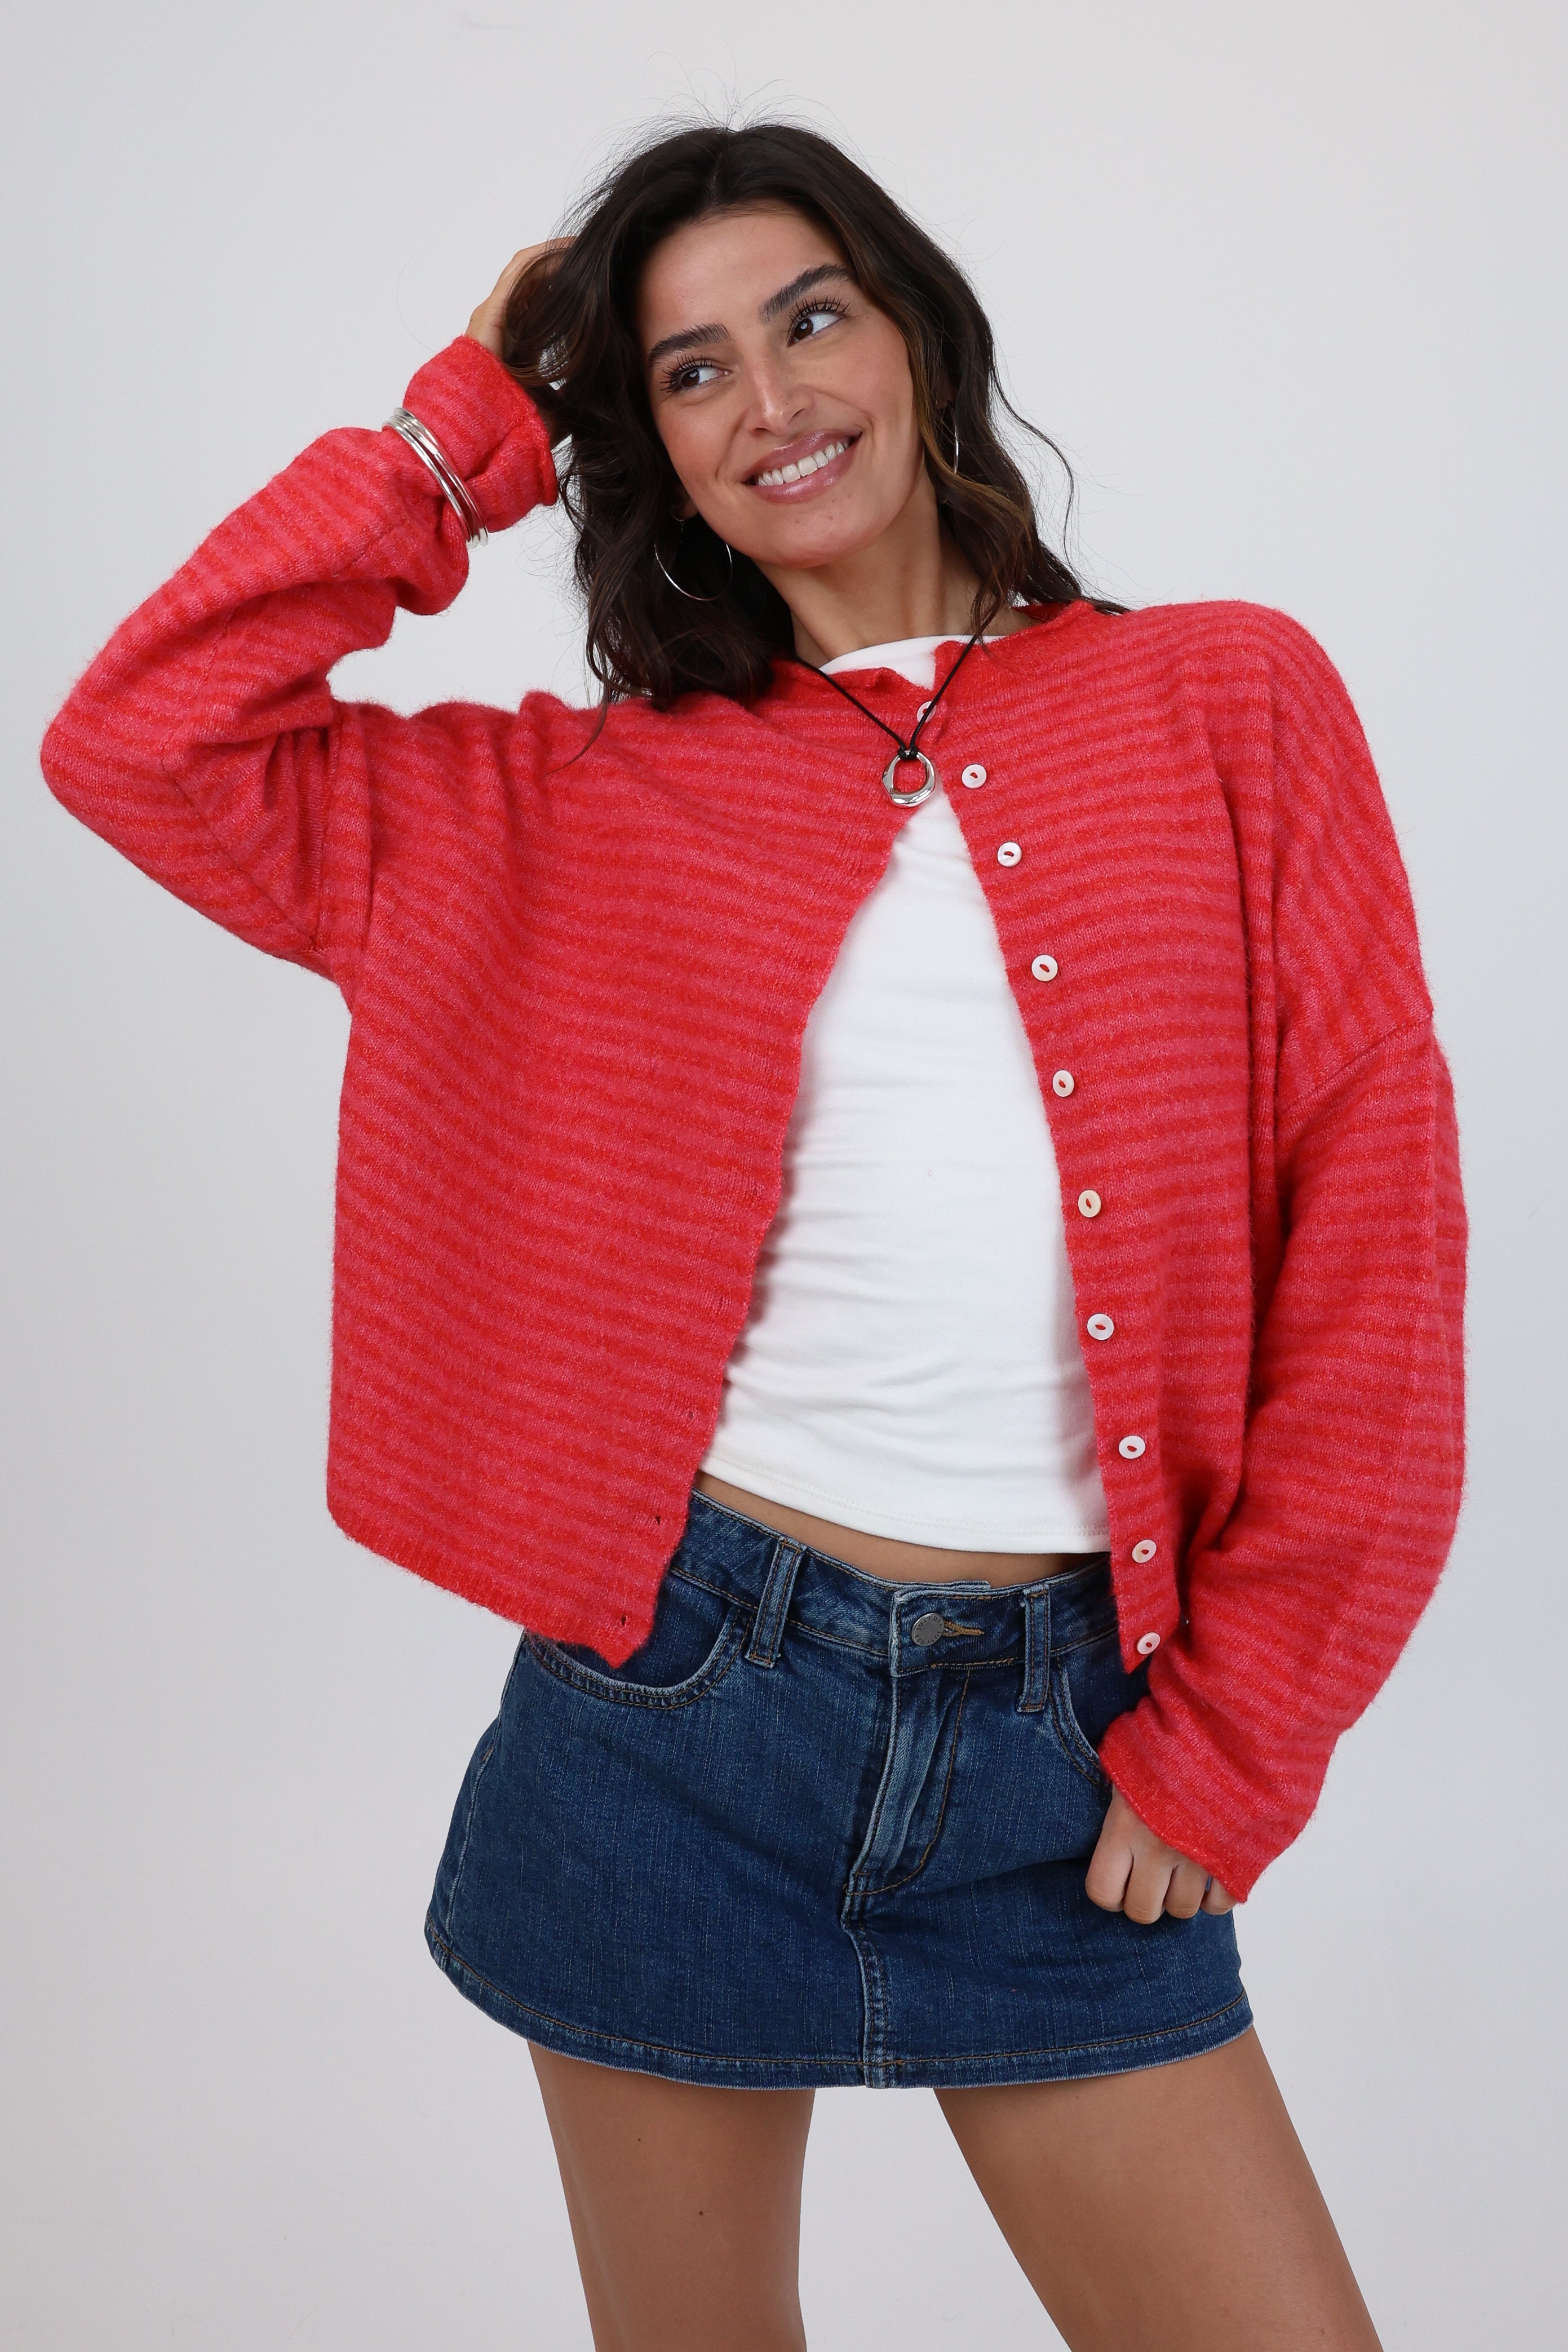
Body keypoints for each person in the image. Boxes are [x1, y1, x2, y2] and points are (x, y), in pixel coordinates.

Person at [41, 119, 1464, 2352]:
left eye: (810, 317)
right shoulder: (574, 802)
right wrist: (471, 419)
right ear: (650, 446)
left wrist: (1245, 1730)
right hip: (670, 1717)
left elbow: (1379, 1242)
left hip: (1076, 1743)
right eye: (689, 371)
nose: (772, 398)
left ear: (915, 333)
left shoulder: (1226, 698)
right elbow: (142, 742)